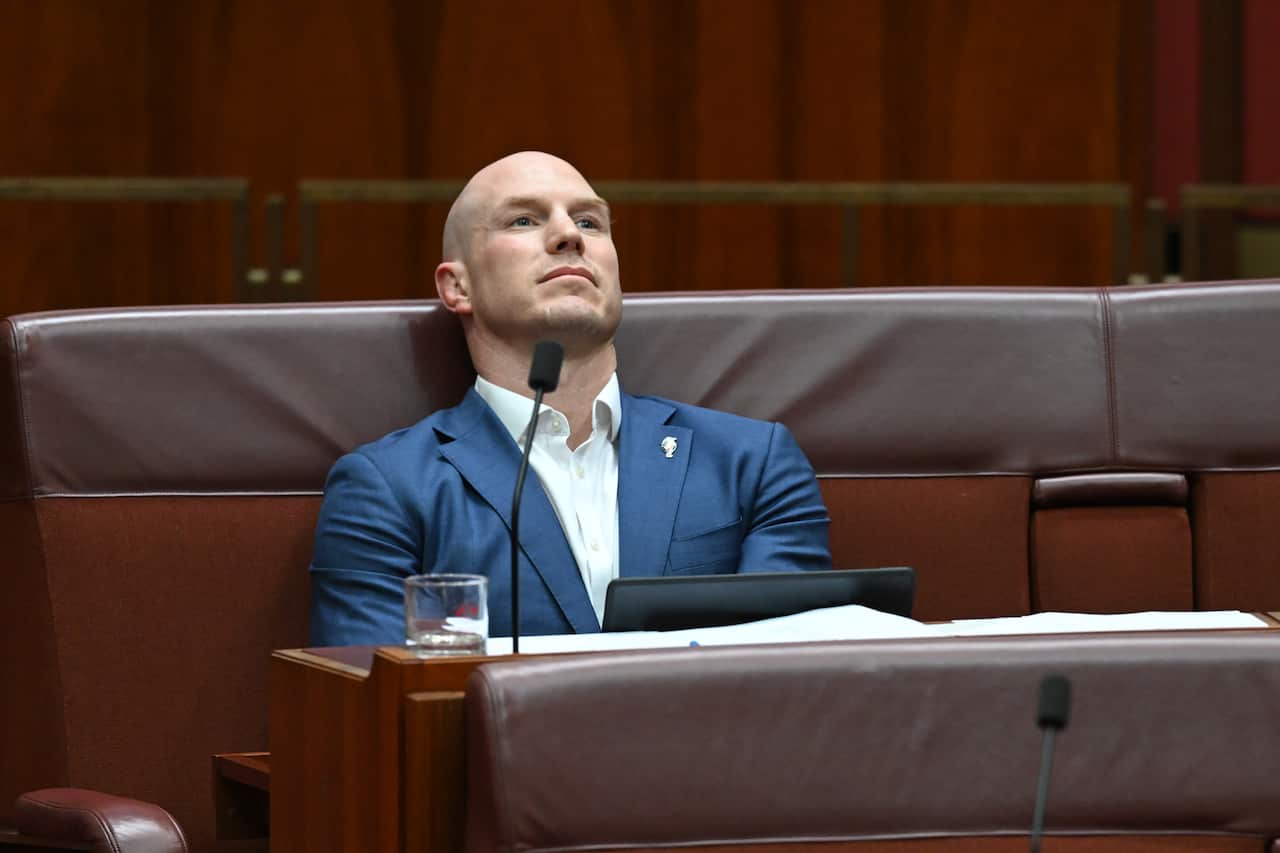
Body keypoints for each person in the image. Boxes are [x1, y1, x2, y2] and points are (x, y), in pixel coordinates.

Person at [309, 151, 831, 643]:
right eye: (523, 221)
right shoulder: (387, 489)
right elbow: (382, 712)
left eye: (589, 222)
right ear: (457, 288)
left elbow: (783, 687)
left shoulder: (752, 462)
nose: (567, 236)